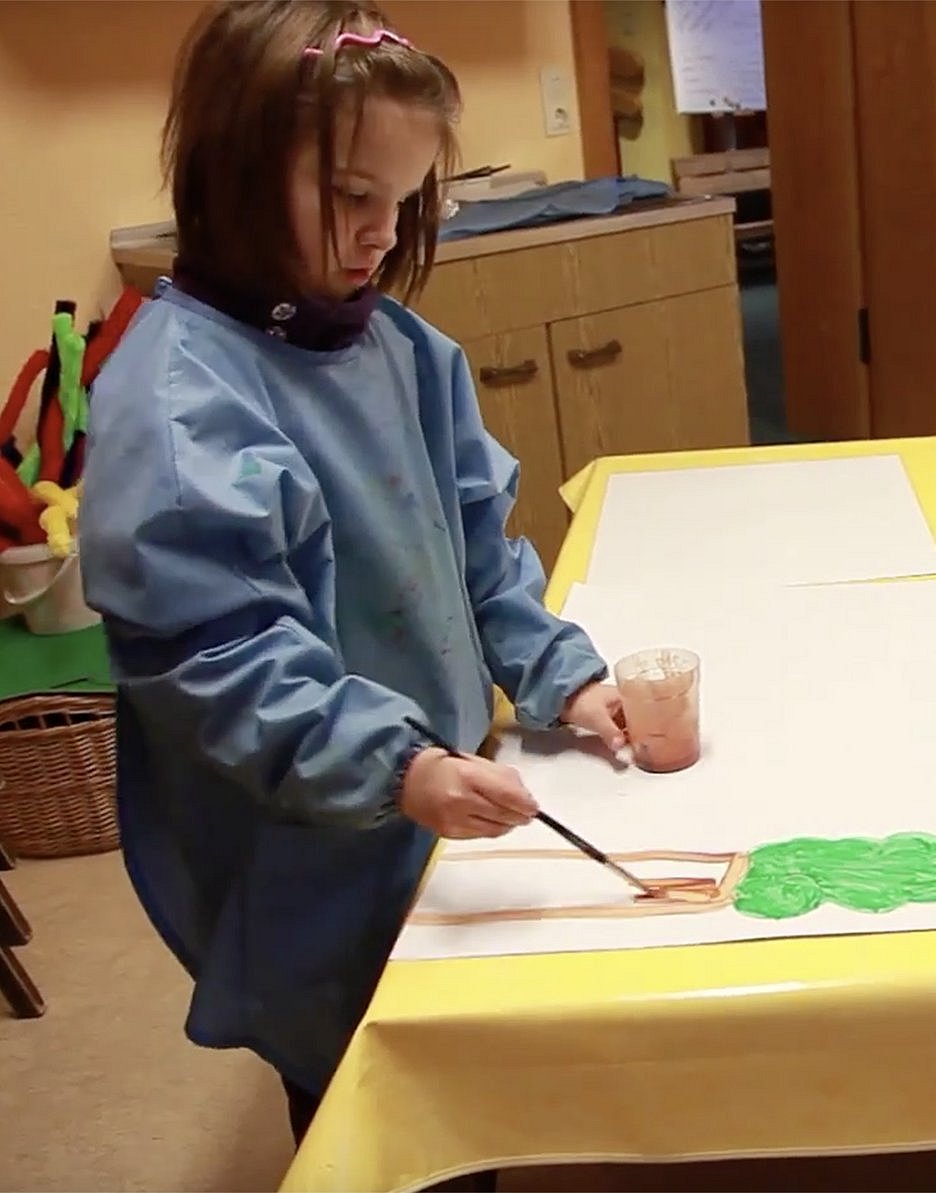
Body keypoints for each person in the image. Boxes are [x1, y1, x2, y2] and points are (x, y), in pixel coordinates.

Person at [76, 0, 633, 1161]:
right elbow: (223, 660)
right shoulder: (181, 398)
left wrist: (557, 673)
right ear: (234, 172)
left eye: (404, 201)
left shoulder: (401, 349)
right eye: (348, 197)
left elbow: (481, 549)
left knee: (458, 1044)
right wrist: (396, 763)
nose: (381, 235)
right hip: (297, 821)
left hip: (424, 786)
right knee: (359, 1077)